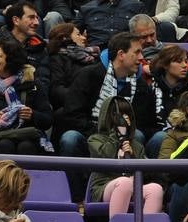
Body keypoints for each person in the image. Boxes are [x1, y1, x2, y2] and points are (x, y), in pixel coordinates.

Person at [61, 31, 160, 160]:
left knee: (138, 135)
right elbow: (72, 114)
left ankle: (132, 178)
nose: (141, 57)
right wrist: (101, 134)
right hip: (90, 134)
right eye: (137, 52)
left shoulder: (141, 85)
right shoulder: (88, 75)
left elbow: (147, 123)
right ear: (121, 54)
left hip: (127, 139)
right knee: (70, 138)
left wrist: (122, 134)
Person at [89, 98, 165, 217]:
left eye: (127, 114)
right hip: (104, 187)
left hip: (133, 187)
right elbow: (105, 155)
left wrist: (133, 156)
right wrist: (117, 137)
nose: (123, 118)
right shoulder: (95, 139)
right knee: (124, 183)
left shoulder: (136, 145)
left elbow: (146, 173)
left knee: (155, 189)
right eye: (119, 115)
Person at [47, 22, 98, 111]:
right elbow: (57, 90)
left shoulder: (91, 57)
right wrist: (79, 97)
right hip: (73, 108)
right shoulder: (57, 59)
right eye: (78, 34)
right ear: (65, 38)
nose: (83, 38)